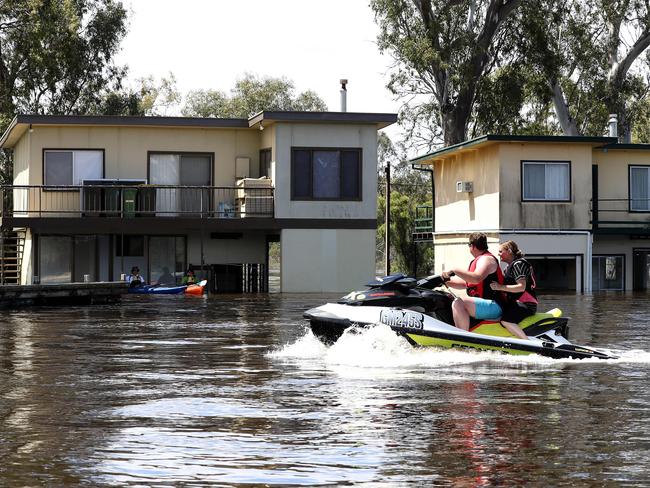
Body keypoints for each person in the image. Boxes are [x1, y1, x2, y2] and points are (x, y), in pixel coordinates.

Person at [441, 232, 504, 331]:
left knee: (459, 303)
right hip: (485, 304)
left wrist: (454, 270)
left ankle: (462, 338)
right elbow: (466, 283)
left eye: (469, 245)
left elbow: (476, 278)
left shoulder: (487, 259)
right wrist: (444, 281)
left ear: (473, 246)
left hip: (495, 305)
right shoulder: (480, 260)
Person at [489, 240, 537, 340]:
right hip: (515, 303)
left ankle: (528, 343)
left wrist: (499, 287)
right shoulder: (508, 268)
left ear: (509, 250)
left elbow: (521, 287)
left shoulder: (518, 264)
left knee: (506, 320)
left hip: (526, 304)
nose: (498, 254)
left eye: (501, 251)